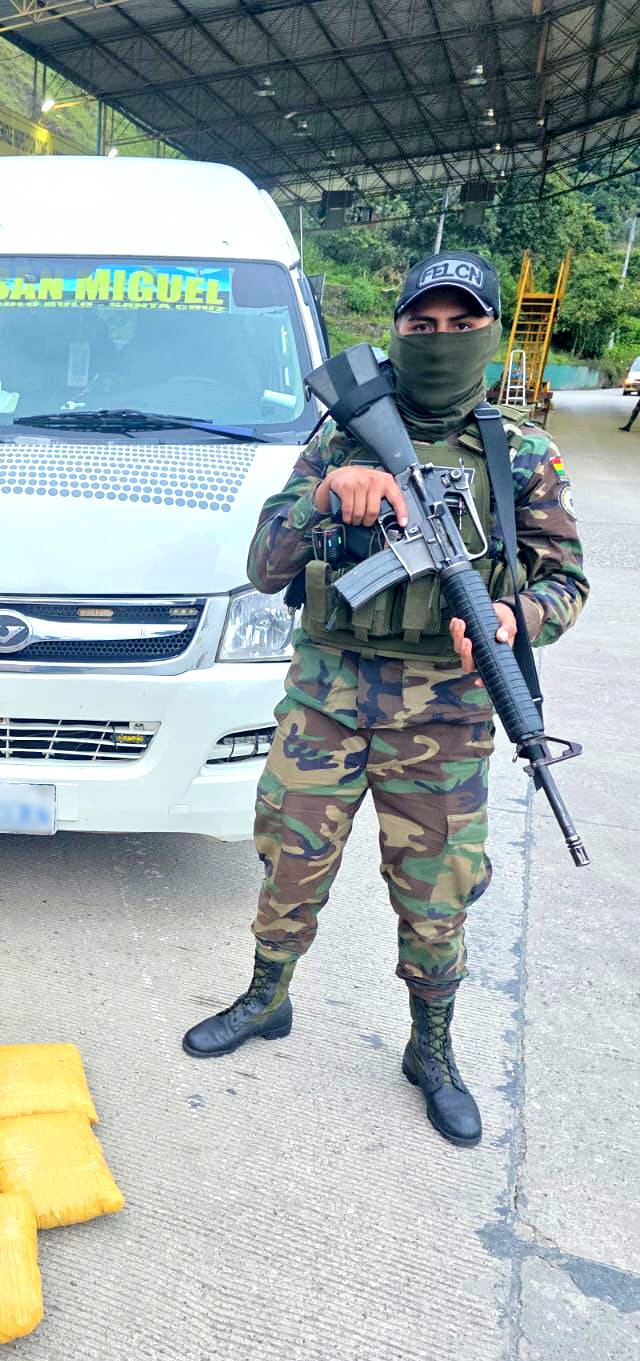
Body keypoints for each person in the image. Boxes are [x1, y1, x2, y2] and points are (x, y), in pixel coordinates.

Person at [182, 250, 588, 1147]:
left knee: (437, 890)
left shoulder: (520, 450)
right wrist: (327, 495)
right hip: (326, 698)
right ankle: (266, 997)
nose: (439, 339)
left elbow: (568, 583)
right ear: (397, 330)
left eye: (459, 324)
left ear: (486, 333)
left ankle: (432, 1048)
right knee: (290, 858)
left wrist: (517, 615)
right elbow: (263, 567)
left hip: (446, 716)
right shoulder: (342, 434)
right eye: (421, 324)